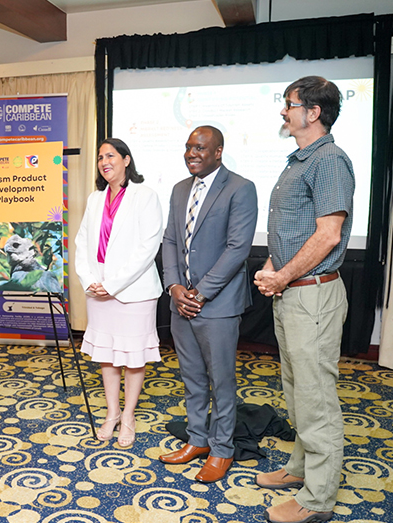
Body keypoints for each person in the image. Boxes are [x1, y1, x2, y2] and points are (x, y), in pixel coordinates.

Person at [254, 76, 354, 523]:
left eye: (289, 105)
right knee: (297, 394)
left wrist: (282, 277)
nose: (283, 111)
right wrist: (274, 269)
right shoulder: (299, 160)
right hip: (293, 292)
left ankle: (318, 499)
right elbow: (291, 231)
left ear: (313, 112)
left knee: (316, 399)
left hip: (312, 295)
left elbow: (327, 234)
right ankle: (300, 469)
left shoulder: (329, 159)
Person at [160, 126, 258, 483]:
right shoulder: (178, 189)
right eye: (188, 147)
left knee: (221, 380)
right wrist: (173, 286)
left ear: (218, 151)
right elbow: (170, 240)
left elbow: (238, 249)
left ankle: (221, 450)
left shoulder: (240, 188)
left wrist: (199, 294)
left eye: (200, 147)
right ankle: (197, 440)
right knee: (192, 378)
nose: (191, 153)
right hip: (180, 302)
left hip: (215, 305)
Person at [74, 138, 163, 448]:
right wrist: (88, 279)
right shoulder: (95, 199)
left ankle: (128, 415)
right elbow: (82, 242)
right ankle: (111, 413)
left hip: (133, 291)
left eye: (110, 155)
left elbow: (147, 248)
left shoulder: (145, 196)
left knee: (132, 357)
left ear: (126, 159)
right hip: (98, 290)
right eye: (100, 157)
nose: (103, 161)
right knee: (107, 356)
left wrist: (112, 284)